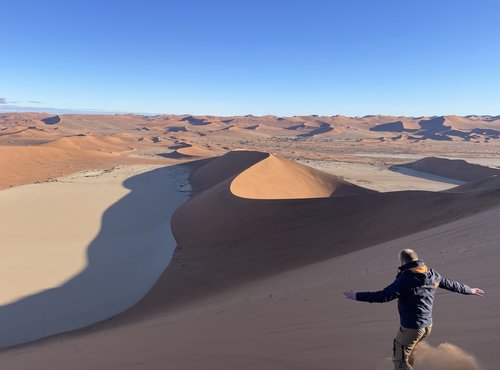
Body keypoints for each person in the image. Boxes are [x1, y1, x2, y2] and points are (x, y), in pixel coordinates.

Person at [342, 249, 484, 370]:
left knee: (399, 360)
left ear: (403, 262)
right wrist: (469, 290)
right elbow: (451, 284)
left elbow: (383, 296)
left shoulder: (406, 279)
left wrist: (356, 295)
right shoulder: (432, 273)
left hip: (412, 328)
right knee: (410, 349)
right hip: (427, 326)